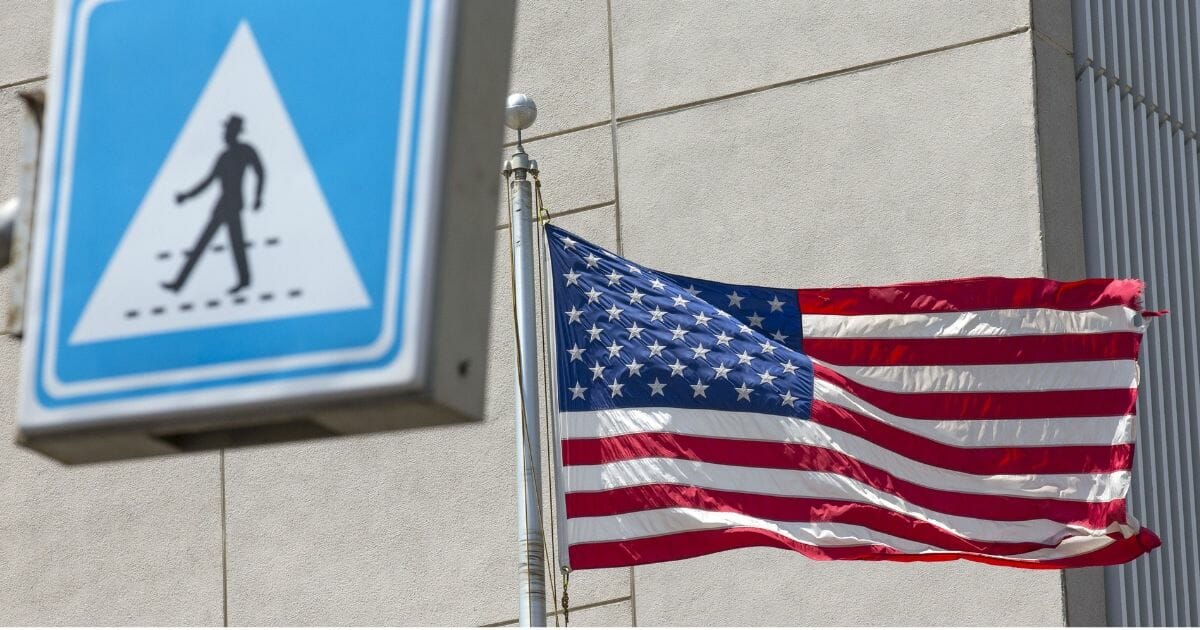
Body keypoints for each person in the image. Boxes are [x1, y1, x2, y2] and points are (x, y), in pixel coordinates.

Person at [162, 113, 265, 295]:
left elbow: (260, 172)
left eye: (227, 130)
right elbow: (208, 181)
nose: (224, 134)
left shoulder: (246, 150)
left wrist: (258, 197)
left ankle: (243, 281)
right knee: (212, 244)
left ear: (235, 132)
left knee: (233, 245)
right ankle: (179, 284)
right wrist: (186, 196)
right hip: (222, 206)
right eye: (225, 130)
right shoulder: (223, 157)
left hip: (233, 206)